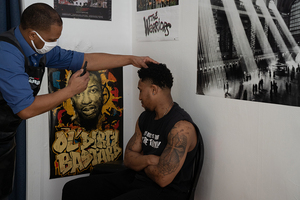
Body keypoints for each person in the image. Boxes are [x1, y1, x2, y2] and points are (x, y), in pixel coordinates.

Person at [0, 3, 157, 199]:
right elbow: (25, 109)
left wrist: (130, 59)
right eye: (51, 40)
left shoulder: (39, 49)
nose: (53, 44)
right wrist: (70, 91)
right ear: (33, 35)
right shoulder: (6, 53)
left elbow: (86, 59)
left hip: (5, 136)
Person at [62, 63, 201, 200]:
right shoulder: (145, 117)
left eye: (140, 90)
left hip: (166, 192)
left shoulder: (181, 128)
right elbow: (128, 158)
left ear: (153, 89)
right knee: (73, 188)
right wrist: (150, 160)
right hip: (137, 179)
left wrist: (140, 163)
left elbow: (162, 178)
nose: (139, 97)